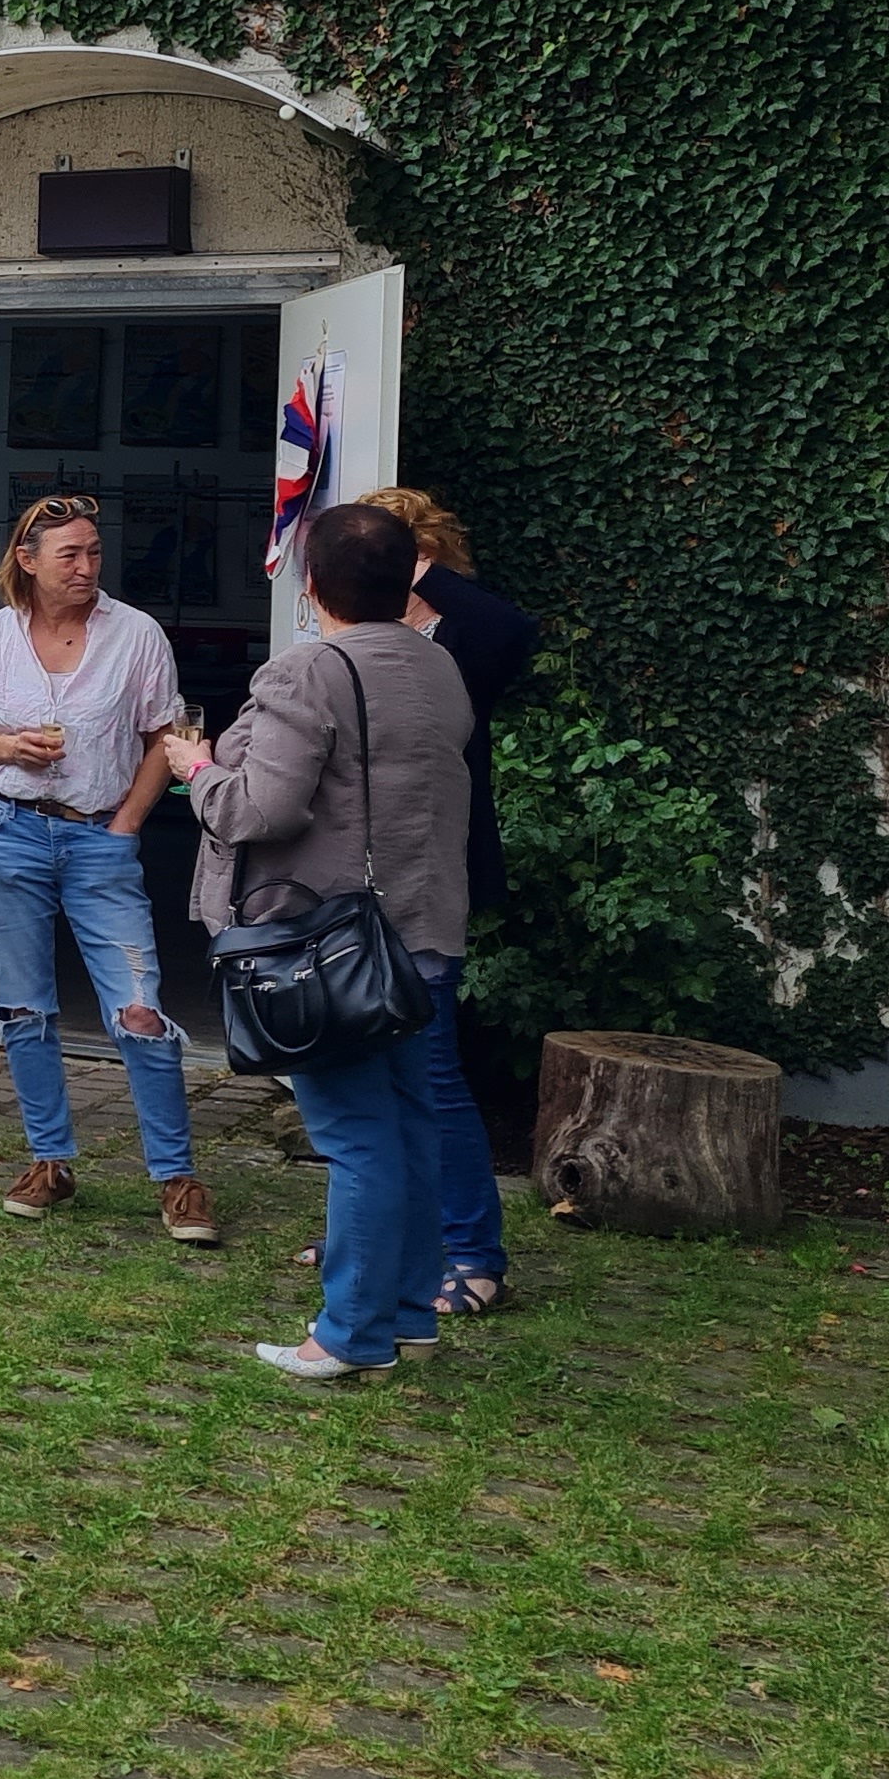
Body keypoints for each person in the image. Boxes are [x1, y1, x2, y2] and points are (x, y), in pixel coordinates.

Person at [169, 501, 477, 1382]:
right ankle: (407, 1313)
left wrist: (198, 770)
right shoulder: (438, 665)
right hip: (419, 933)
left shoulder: (306, 671)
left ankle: (349, 1335)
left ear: (310, 585)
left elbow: (260, 809)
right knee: (408, 1124)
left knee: (356, 1138)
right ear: (407, 578)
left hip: (330, 947)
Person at [0, 492, 215, 1246]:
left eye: (94, 552)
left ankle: (176, 1176)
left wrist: (126, 824)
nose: (87, 566)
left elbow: (164, 738)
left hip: (99, 838)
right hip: (8, 830)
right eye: (71, 555)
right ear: (27, 561)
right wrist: (8, 748)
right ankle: (50, 1160)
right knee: (22, 1006)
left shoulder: (136, 634)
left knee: (139, 1009)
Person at [356, 484, 543, 1319]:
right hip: (355, 874)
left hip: (429, 871)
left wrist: (419, 570)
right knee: (363, 1066)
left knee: (429, 1067)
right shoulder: (364, 632)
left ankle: (473, 1253)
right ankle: (383, 1232)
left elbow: (513, 629)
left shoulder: (462, 635)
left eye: (392, 549)